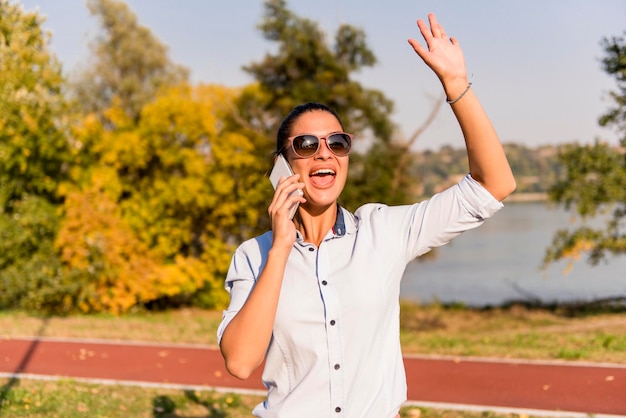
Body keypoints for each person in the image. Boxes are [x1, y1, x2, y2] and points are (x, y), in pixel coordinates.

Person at [217, 13, 516, 418]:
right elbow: (239, 361)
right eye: (306, 144)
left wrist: (456, 86)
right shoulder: (254, 256)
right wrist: (282, 247)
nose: (325, 153)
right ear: (283, 166)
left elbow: (494, 184)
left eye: (337, 143)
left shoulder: (383, 231)